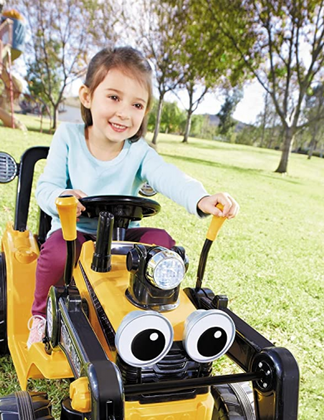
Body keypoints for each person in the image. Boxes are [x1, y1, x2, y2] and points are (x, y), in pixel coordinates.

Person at [27, 46, 239, 347]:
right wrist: (63, 197)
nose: (124, 113)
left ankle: (146, 313)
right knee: (59, 249)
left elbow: (170, 176)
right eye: (113, 97)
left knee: (162, 243)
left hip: (119, 237)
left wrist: (201, 198)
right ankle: (41, 316)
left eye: (137, 105)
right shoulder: (69, 137)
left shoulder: (138, 152)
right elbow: (46, 187)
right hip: (76, 233)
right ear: (87, 97)